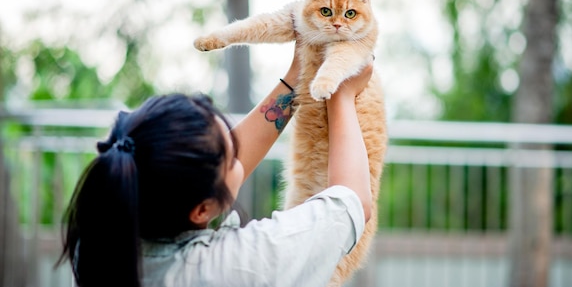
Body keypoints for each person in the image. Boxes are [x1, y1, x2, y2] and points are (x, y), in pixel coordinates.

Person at [58, 45, 374, 287]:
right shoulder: (231, 267)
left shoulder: (101, 239)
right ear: (201, 210)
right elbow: (350, 202)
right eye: (231, 156)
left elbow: (200, 168)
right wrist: (342, 95)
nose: (239, 152)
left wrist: (297, 77)